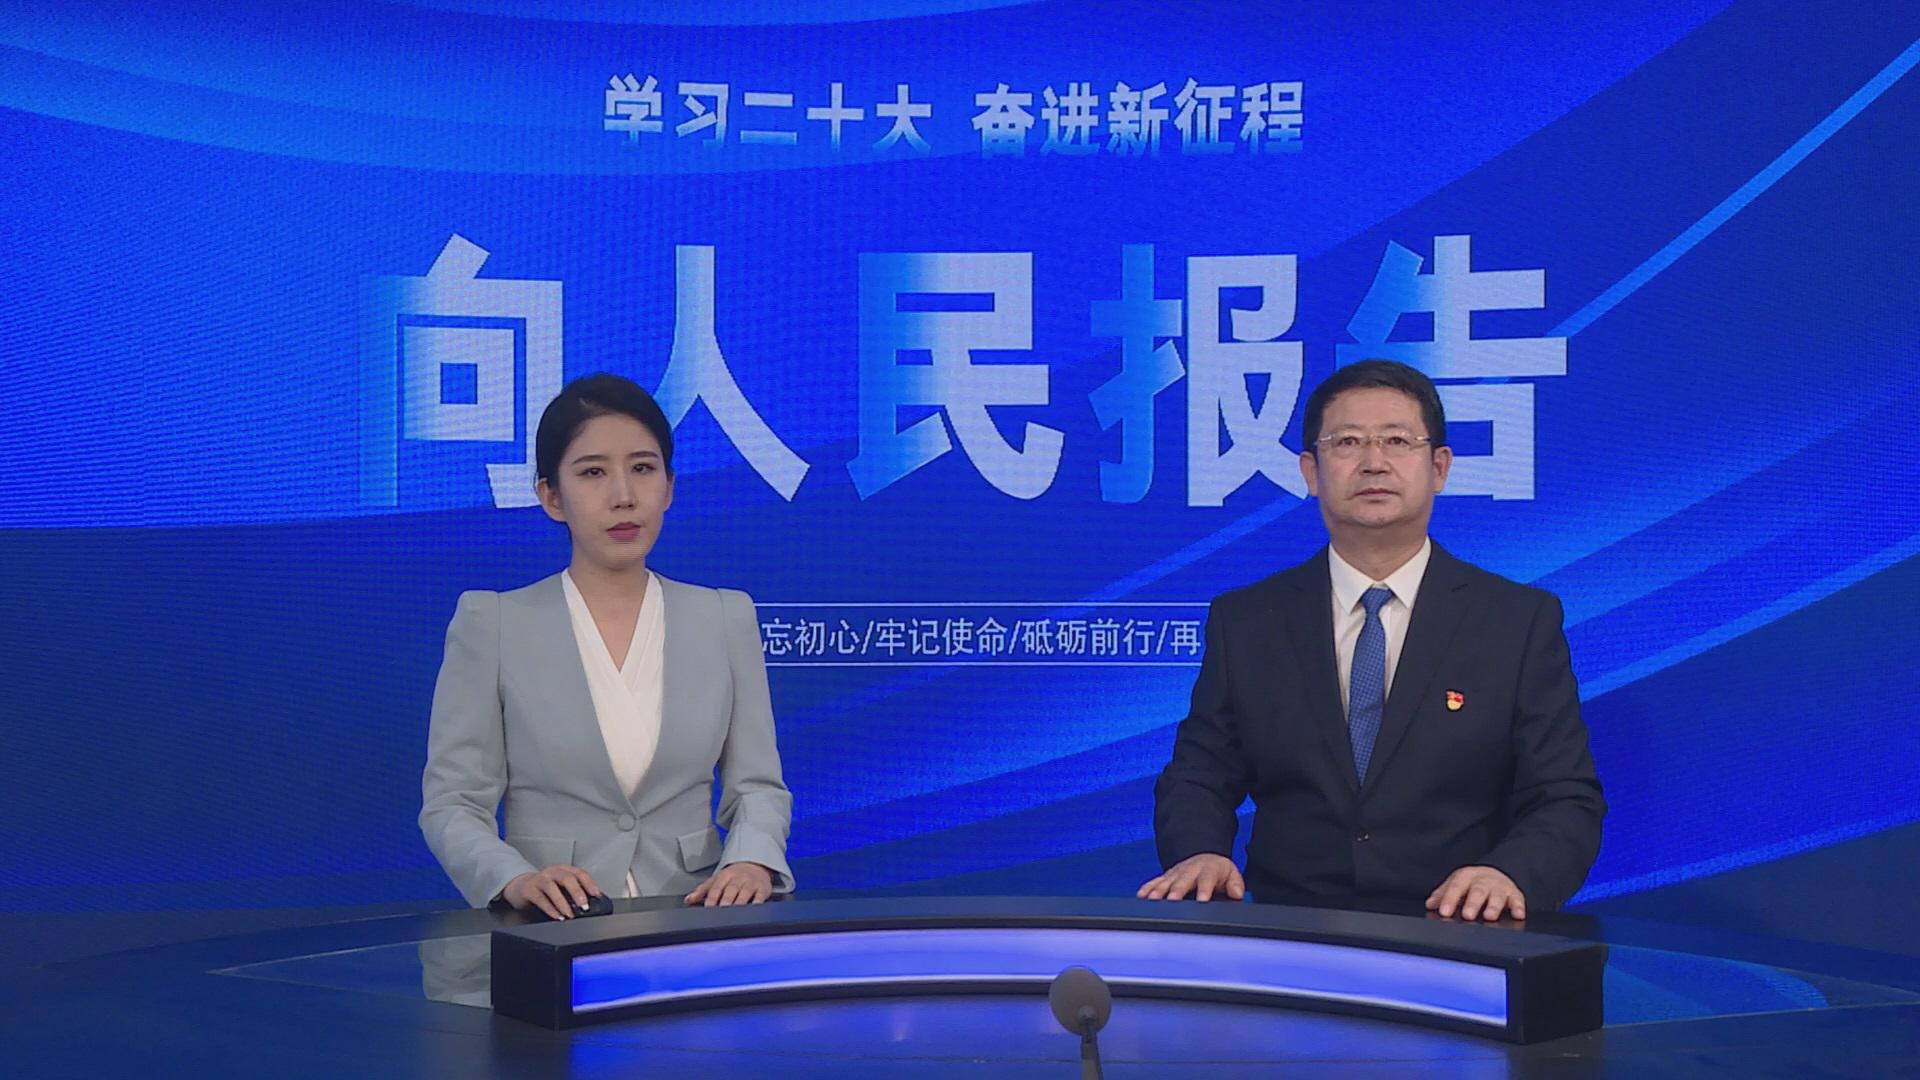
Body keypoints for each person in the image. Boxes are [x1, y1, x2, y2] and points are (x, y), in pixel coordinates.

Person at [1139, 360, 1603, 921]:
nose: (1374, 462)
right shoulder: (1247, 621)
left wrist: (1510, 874)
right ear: (1311, 471)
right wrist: (1200, 852)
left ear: (1440, 467)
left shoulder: (1516, 621)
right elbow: (1198, 776)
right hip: (1292, 931)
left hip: (1461, 932)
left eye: (1397, 441)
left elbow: (1565, 797)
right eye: (1348, 442)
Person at [420, 373, 792, 919]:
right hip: (552, 924)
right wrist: (515, 879)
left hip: (694, 919)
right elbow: (453, 804)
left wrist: (752, 861)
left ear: (669, 487)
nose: (624, 497)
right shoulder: (493, 623)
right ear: (551, 496)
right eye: (593, 472)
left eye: (643, 468)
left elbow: (757, 788)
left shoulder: (724, 617)